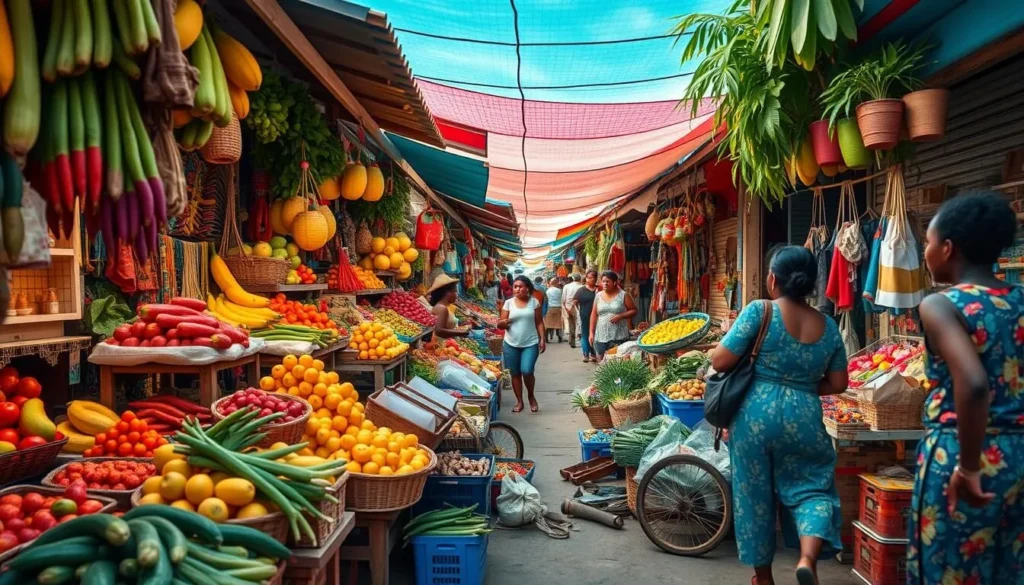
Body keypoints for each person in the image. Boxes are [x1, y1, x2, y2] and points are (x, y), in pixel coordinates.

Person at [710, 246, 846, 585]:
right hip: (804, 415)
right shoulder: (828, 326)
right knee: (813, 489)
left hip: (753, 416)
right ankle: (807, 558)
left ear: (773, 279)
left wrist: (714, 349)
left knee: (753, 495)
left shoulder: (760, 311)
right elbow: (839, 382)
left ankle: (764, 579)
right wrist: (799, 387)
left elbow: (721, 362)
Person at [909, 192, 1024, 585]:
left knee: (950, 570)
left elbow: (973, 384)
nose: (925, 250)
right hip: (1019, 457)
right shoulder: (1019, 300)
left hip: (961, 453)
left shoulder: (942, 306)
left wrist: (969, 468)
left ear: (947, 248)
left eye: (927, 241)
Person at [497, 276, 545, 413]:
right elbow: (500, 323)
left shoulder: (534, 302)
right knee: (515, 373)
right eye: (515, 287)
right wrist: (502, 323)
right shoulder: (508, 303)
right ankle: (519, 401)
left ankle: (531, 396)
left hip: (530, 343)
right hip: (511, 343)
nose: (517, 289)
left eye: (521, 286)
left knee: (527, 370)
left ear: (527, 288)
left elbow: (539, 322)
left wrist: (542, 338)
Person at [588, 271, 637, 360]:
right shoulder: (598, 295)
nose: (605, 284)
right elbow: (594, 314)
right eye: (603, 281)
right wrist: (591, 333)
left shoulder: (623, 295)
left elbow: (634, 310)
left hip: (619, 336)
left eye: (607, 281)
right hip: (601, 336)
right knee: (602, 363)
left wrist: (620, 316)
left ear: (614, 282)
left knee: (618, 361)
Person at [428, 274, 469, 340]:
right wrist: (460, 332)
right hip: (440, 345)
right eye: (455, 292)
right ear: (447, 293)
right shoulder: (442, 308)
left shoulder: (442, 306)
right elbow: (439, 331)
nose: (456, 295)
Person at [574, 270, 599, 362]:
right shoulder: (581, 290)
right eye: (588, 277)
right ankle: (585, 354)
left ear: (596, 278)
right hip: (584, 315)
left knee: (596, 334)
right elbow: (575, 302)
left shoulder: (599, 289)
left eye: (592, 277)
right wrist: (581, 310)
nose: (589, 279)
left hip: (598, 316)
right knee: (585, 334)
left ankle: (593, 353)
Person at [562, 273, 583, 349]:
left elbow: (563, 299)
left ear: (573, 278)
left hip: (569, 307)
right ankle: (578, 339)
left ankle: (572, 341)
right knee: (579, 324)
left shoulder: (567, 286)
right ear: (580, 279)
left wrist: (566, 308)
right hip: (579, 307)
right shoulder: (582, 287)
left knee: (571, 324)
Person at [544, 277, 564, 343]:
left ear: (551, 283)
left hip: (549, 308)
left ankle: (546, 338)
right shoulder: (559, 290)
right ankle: (559, 338)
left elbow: (546, 300)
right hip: (558, 308)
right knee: (558, 324)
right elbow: (562, 298)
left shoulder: (547, 291)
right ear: (556, 283)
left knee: (548, 324)